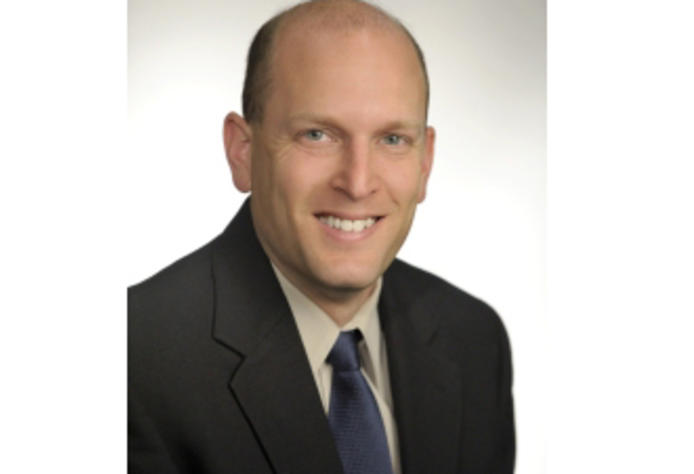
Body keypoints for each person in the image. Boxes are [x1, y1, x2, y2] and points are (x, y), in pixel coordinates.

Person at [128, 1, 515, 473]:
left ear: (425, 162)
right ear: (243, 151)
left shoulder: (473, 340)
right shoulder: (134, 361)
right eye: (317, 134)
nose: (357, 182)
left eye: (392, 139)